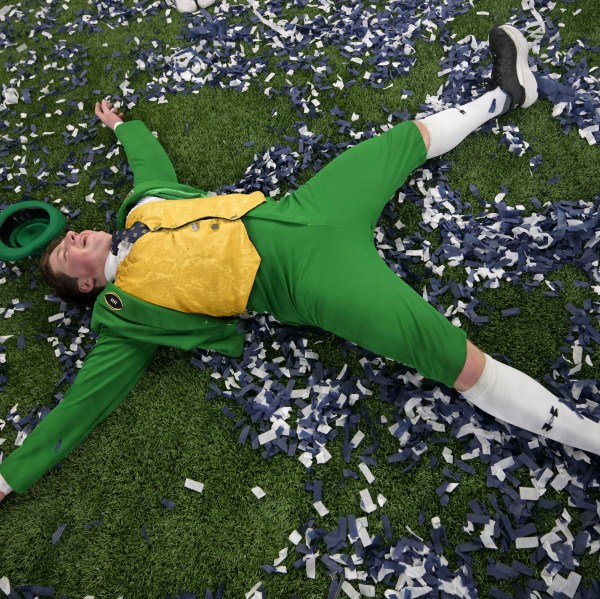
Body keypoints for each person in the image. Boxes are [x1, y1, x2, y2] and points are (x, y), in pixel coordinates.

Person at [1, 24, 597, 503]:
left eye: (69, 233)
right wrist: (10, 476)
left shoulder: (143, 209)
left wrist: (123, 126)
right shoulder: (124, 312)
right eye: (67, 247)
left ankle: (506, 93)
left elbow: (148, 165)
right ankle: (591, 438)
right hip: (310, 282)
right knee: (458, 362)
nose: (75, 234)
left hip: (307, 206)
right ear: (82, 281)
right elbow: (83, 402)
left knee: (401, 140)